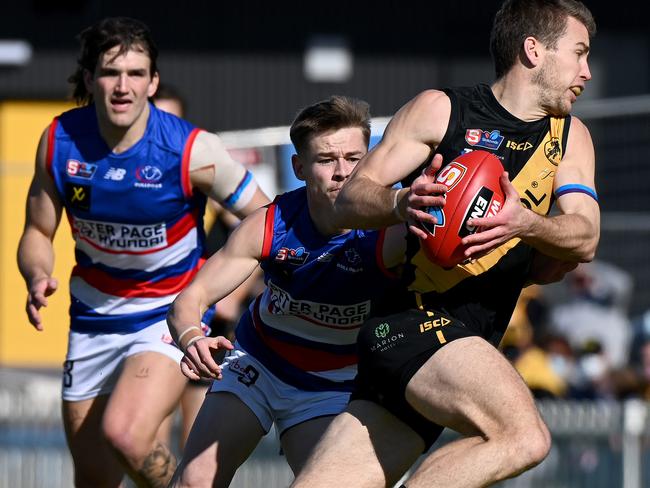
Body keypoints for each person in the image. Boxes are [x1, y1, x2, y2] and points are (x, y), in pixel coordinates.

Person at [292, 1, 600, 487]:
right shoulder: (442, 109)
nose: (586, 70)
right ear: (533, 50)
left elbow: (586, 236)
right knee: (524, 437)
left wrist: (527, 224)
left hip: (463, 347)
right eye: (579, 53)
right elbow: (350, 197)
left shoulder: (570, 137)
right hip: (409, 321)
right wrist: (399, 204)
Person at [17, 17, 268, 487]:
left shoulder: (192, 150)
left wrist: (233, 287)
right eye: (111, 73)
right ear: (90, 79)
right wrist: (36, 274)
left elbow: (266, 221)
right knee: (93, 478)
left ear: (152, 82)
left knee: (126, 434)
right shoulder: (58, 141)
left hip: (169, 310)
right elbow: (36, 229)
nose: (122, 86)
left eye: (136, 74)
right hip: (92, 316)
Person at [166, 96, 404, 487]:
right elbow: (188, 301)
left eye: (354, 158)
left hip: (333, 385)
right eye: (327, 159)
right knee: (194, 481)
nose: (342, 172)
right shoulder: (269, 224)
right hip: (258, 365)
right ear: (299, 167)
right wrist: (192, 337)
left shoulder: (392, 229)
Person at [151, 83, 260, 451]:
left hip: (206, 314)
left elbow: (259, 234)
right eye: (156, 116)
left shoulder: (201, 168)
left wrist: (233, 297)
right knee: (148, 434)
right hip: (155, 312)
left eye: (171, 118)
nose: (161, 126)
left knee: (194, 428)